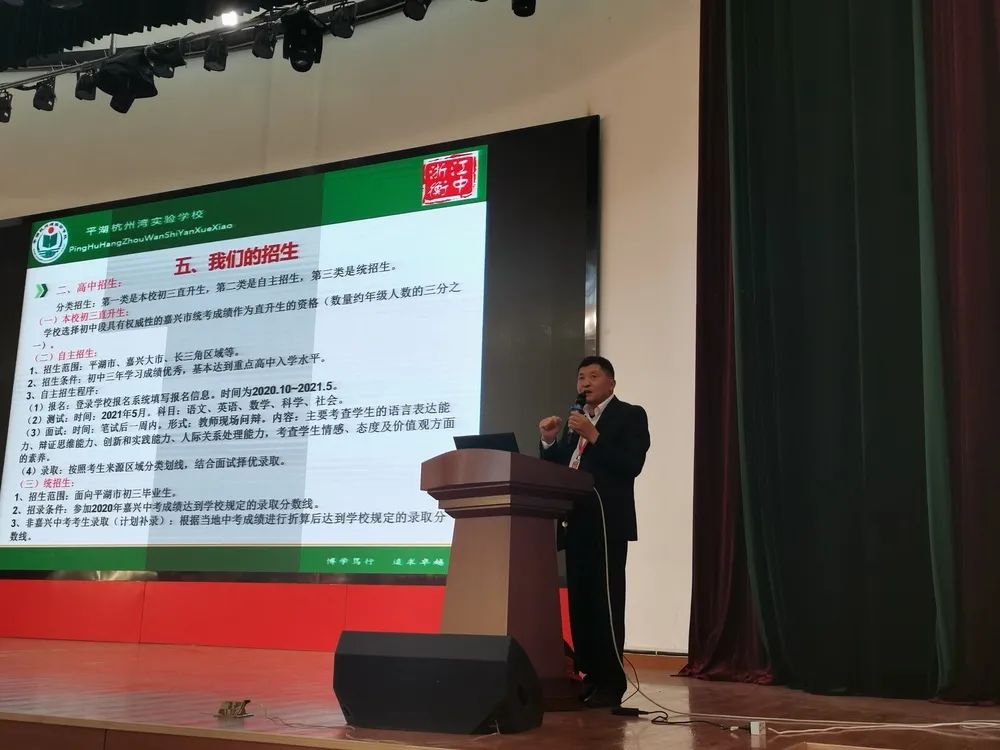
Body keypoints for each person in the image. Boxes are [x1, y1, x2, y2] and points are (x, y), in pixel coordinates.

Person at [538, 356, 650, 708]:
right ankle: (590, 676)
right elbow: (563, 469)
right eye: (580, 377)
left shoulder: (630, 415)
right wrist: (550, 442)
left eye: (593, 376)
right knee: (581, 605)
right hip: (576, 522)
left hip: (606, 524)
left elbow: (631, 465)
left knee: (606, 604)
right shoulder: (576, 423)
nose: (585, 383)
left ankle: (612, 682)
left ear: (611, 382)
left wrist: (594, 435)